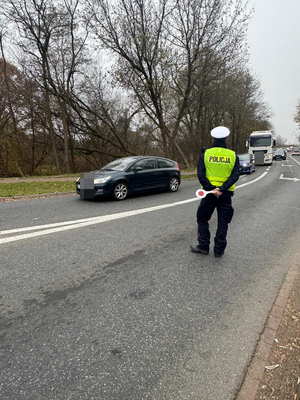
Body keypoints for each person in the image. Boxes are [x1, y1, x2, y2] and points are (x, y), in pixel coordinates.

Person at [190, 126, 240, 257]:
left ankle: (203, 247)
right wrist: (222, 189)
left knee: (202, 219)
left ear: (213, 140)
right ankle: (219, 250)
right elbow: (235, 176)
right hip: (225, 195)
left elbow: (201, 174)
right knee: (223, 222)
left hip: (208, 195)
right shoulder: (233, 155)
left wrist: (212, 189)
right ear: (226, 140)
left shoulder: (205, 154)